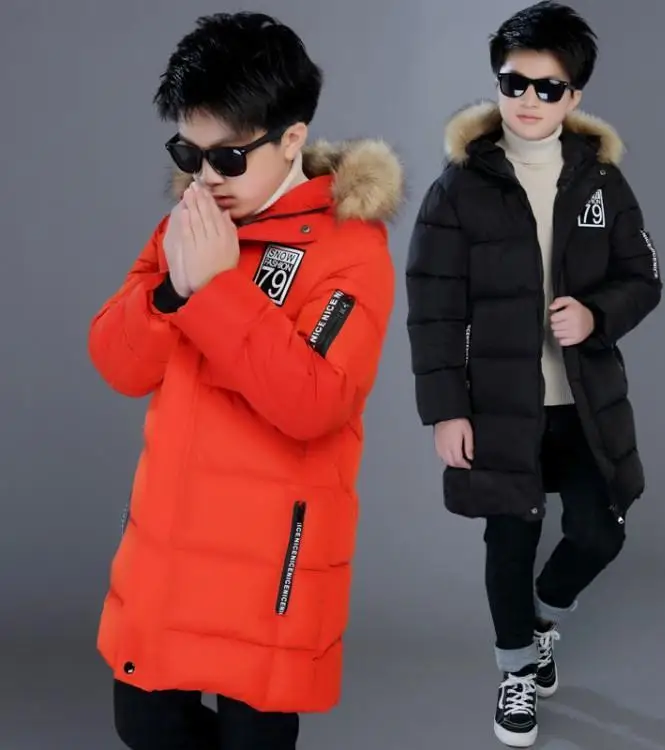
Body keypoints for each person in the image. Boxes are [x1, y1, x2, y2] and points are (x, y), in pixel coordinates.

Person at [88, 11, 402, 749]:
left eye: (228, 157)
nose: (205, 177)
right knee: (146, 724)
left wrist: (216, 290)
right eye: (188, 153)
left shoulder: (351, 248)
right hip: (171, 545)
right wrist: (172, 290)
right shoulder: (188, 226)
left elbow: (316, 402)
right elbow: (118, 364)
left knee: (253, 738)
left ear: (292, 139)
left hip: (272, 565)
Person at [405, 2, 662, 746]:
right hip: (498, 404)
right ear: (498, 83)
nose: (528, 100)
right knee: (510, 540)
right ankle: (516, 672)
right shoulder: (460, 186)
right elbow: (432, 305)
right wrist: (446, 409)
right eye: (514, 83)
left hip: (583, 402)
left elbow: (644, 277)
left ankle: (542, 617)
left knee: (599, 530)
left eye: (548, 88)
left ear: (573, 96)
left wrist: (596, 315)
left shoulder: (601, 182)